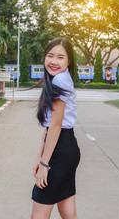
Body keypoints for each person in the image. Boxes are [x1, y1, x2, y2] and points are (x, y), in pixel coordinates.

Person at [31, 38, 81, 219]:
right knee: (67, 210)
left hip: (59, 150)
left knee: (38, 215)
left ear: (69, 61)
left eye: (60, 57)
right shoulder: (60, 79)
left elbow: (55, 126)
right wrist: (39, 157)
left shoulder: (59, 80)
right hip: (65, 148)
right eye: (50, 56)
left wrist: (45, 164)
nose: (53, 61)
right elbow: (47, 126)